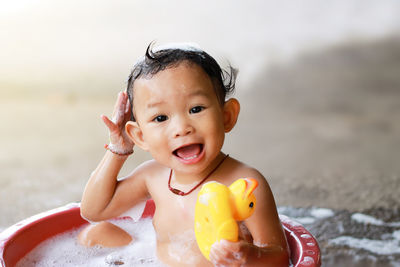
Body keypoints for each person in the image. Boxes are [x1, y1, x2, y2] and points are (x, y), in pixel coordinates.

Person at [79, 43, 289, 266]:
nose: (181, 128)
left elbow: (280, 256)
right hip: (155, 260)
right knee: (95, 233)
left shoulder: (244, 183)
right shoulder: (153, 176)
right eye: (161, 118)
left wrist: (247, 256)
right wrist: (118, 149)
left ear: (227, 116)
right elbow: (94, 210)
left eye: (196, 109)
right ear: (140, 136)